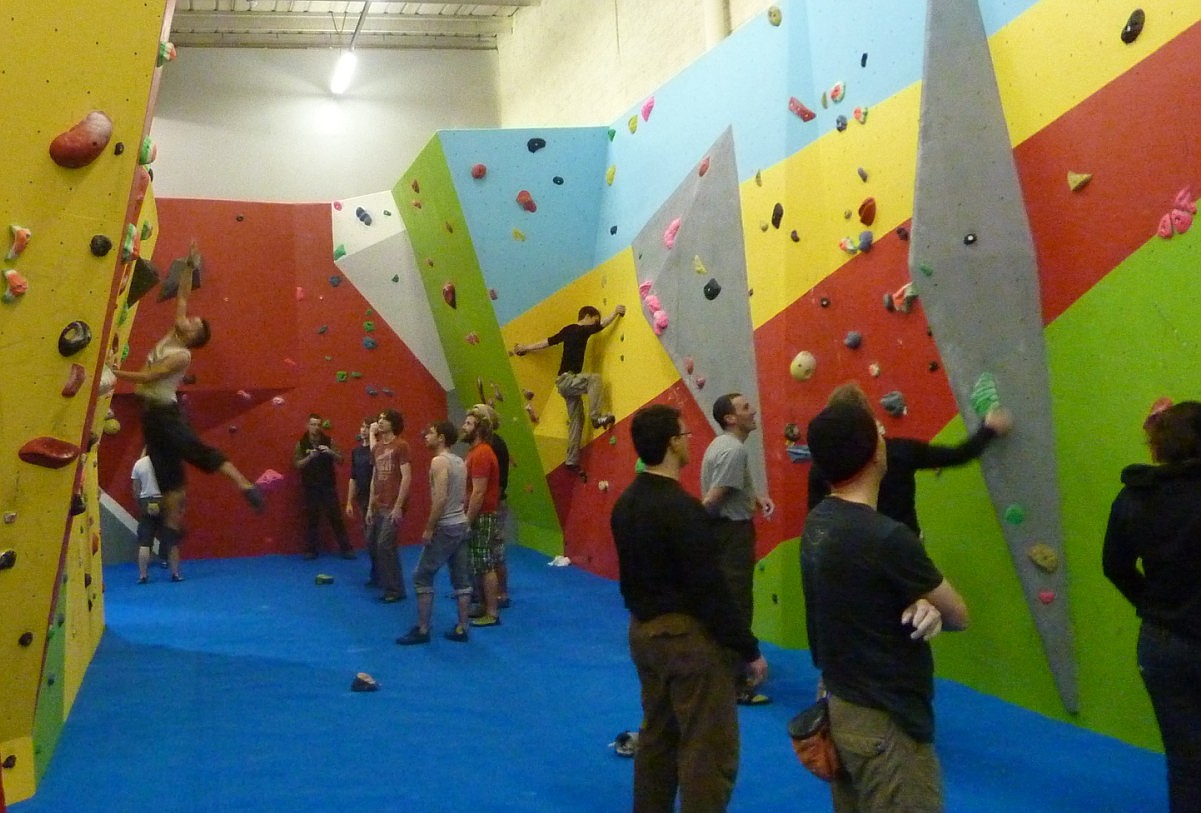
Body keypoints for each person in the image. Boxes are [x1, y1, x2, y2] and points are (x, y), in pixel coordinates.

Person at [801, 401, 969, 812]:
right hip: (885, 720)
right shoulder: (888, 538)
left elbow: (859, 591)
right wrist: (928, 603)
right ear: (877, 454)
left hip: (841, 705)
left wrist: (913, 601)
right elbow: (959, 615)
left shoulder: (819, 521)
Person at [610, 403, 768, 812]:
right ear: (672, 444)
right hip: (685, 642)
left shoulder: (625, 503)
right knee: (706, 750)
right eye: (684, 434)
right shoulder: (682, 510)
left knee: (658, 737)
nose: (688, 441)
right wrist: (747, 649)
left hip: (642, 634)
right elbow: (711, 591)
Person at [112, 240, 264, 562]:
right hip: (150, 417)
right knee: (168, 474)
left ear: (193, 338)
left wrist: (116, 371)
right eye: (192, 319)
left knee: (196, 450)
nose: (190, 318)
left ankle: (245, 484)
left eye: (194, 324)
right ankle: (171, 529)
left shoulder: (180, 355)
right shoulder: (173, 333)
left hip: (166, 413)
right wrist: (190, 267)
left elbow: (150, 377)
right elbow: (183, 296)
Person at [1102, 399, 1201, 812]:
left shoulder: (1134, 497)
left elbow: (1115, 566)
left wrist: (1153, 605)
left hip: (1162, 643)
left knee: (1186, 764)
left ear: (1157, 447)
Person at [807, 381, 1012, 535]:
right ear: (868, 418)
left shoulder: (822, 471)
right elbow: (958, 455)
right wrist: (989, 429)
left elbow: (818, 523)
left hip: (862, 558)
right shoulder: (899, 452)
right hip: (903, 542)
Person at [701, 392, 775, 706]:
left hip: (725, 532)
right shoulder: (734, 451)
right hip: (731, 534)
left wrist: (755, 499)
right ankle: (734, 682)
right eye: (745, 407)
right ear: (730, 418)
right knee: (736, 603)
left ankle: (719, 669)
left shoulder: (722, 445)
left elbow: (731, 488)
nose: (753, 410)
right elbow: (715, 499)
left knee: (726, 599)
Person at [512, 303, 625, 473]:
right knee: (594, 379)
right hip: (568, 380)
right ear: (587, 317)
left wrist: (526, 348)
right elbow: (601, 326)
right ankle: (596, 417)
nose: (595, 323)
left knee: (577, 419)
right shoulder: (582, 330)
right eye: (594, 320)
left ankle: (571, 460)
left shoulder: (568, 330)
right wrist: (615, 312)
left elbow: (547, 342)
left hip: (564, 383)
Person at [396, 420, 473, 645]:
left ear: (441, 438)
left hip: (447, 526)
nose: (426, 436)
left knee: (422, 575)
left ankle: (422, 629)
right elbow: (461, 496)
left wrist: (430, 527)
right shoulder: (459, 461)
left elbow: (440, 498)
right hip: (460, 524)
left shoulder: (439, 462)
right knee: (461, 578)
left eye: (430, 433)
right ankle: (462, 627)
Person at [461, 407, 502, 628]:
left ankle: (493, 613)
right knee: (478, 562)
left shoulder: (482, 453)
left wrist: (467, 520)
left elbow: (479, 491)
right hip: (478, 514)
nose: (463, 427)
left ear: (478, 429)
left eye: (468, 424)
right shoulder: (475, 452)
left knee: (485, 563)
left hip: (482, 515)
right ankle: (485, 606)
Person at [365, 409, 412, 603]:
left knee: (385, 544)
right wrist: (369, 506)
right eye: (379, 418)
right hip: (378, 504)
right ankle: (387, 582)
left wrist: (399, 506)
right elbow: (374, 478)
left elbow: (407, 477)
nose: (380, 422)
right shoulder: (376, 449)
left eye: (384, 419)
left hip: (393, 505)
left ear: (393, 424)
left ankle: (395, 589)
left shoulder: (401, 445)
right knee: (374, 544)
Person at [293, 413, 354, 560]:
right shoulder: (301, 444)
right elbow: (297, 464)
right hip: (310, 487)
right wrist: (310, 457)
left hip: (328, 485)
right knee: (312, 518)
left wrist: (330, 452)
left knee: (336, 517)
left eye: (318, 425)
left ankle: (346, 549)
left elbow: (341, 460)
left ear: (321, 426)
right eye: (313, 424)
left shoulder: (329, 441)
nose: (315, 427)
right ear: (307, 425)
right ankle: (311, 550)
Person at [474, 403, 512, 609]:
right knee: (488, 549)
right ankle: (487, 592)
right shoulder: (485, 445)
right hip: (489, 502)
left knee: (495, 549)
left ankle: (502, 593)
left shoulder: (494, 445)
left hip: (494, 503)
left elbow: (498, 481)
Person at [131, 449, 176, 583]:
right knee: (170, 539)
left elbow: (135, 488)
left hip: (147, 500)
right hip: (164, 500)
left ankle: (143, 575)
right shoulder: (168, 462)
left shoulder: (139, 464)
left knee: (145, 541)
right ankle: (175, 573)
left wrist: (141, 504)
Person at [345, 417, 376, 582]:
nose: (363, 430)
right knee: (368, 538)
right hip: (362, 498)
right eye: (362, 426)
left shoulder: (376, 449)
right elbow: (353, 477)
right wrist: (349, 501)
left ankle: (381, 571)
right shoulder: (356, 452)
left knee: (375, 537)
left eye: (367, 427)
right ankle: (376, 571)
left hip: (376, 498)